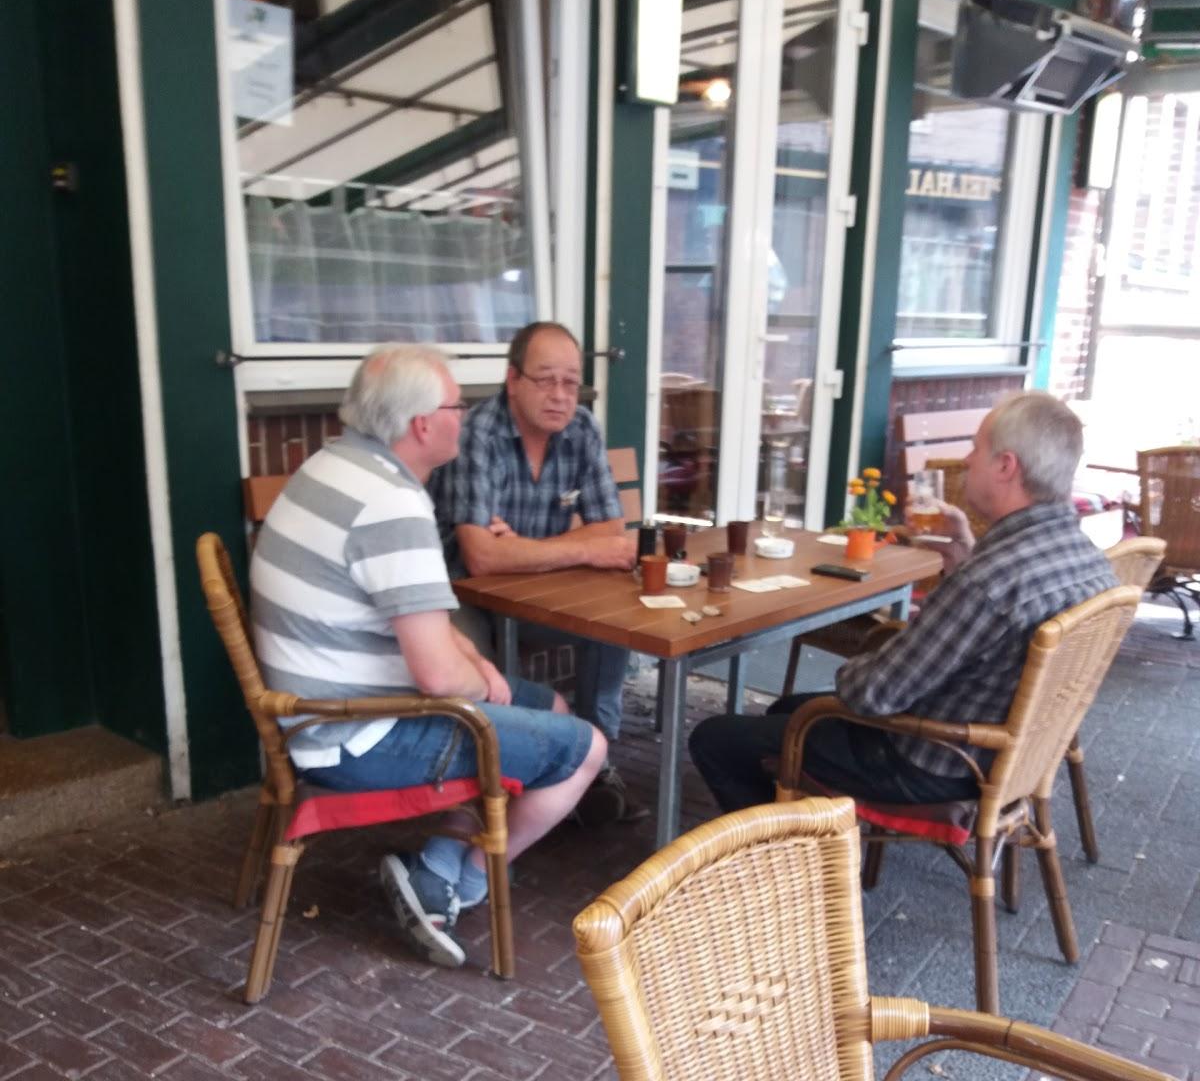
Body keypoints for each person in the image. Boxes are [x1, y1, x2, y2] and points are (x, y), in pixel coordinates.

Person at [250, 344, 606, 969]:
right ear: (422, 424)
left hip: (320, 709)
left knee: (543, 702)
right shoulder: (392, 504)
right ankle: (453, 879)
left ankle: (444, 859)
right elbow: (440, 676)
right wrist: (475, 675)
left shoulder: (333, 466)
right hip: (355, 735)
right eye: (456, 406)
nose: (464, 417)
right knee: (587, 748)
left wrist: (484, 669)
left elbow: (428, 624)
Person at [689, 390, 1117, 813]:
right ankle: (811, 828)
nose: (967, 460)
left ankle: (793, 863)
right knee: (788, 709)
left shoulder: (989, 582)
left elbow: (872, 694)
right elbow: (999, 614)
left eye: (976, 448)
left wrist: (858, 663)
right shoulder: (1087, 560)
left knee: (716, 738)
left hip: (932, 761)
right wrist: (964, 553)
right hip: (1011, 751)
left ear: (1006, 466)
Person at [428, 321, 644, 825]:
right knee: (478, 673)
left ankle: (593, 763)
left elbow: (612, 532)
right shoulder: (477, 434)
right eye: (545, 379)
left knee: (613, 621)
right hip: (462, 594)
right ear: (513, 380)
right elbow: (481, 559)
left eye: (571, 382)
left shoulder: (583, 429)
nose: (560, 395)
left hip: (539, 590)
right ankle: (499, 792)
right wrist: (580, 546)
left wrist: (525, 548)